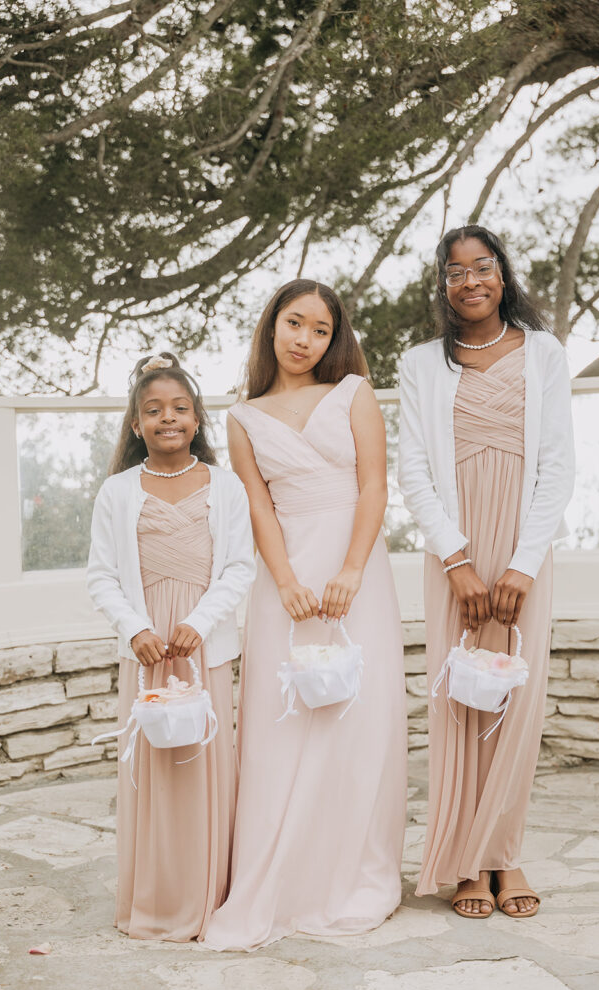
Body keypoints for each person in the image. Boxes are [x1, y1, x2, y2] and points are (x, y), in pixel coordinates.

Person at [204, 280, 408, 951]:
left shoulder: (353, 395)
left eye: (320, 330)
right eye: (294, 323)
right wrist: (285, 579)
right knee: (282, 719)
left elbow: (374, 484)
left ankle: (349, 876)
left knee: (357, 717)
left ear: (334, 338)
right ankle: (280, 878)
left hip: (356, 569)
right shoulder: (242, 417)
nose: (304, 340)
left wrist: (350, 569)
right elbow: (256, 507)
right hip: (284, 578)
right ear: (271, 326)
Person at [398, 226, 575, 919]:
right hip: (455, 550)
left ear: (502, 275)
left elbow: (557, 464)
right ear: (441, 287)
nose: (470, 280)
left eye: (482, 266)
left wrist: (523, 564)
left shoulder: (545, 354)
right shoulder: (420, 364)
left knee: (516, 703)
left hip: (524, 544)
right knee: (461, 699)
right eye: (454, 271)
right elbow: (413, 469)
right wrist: (457, 560)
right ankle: (465, 863)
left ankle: (504, 853)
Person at [87, 353, 255, 941]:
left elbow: (239, 566)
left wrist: (202, 622)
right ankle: (156, 901)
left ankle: (208, 896)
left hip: (201, 645)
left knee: (204, 764)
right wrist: (135, 629)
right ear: (136, 424)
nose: (168, 419)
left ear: (198, 419)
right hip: (149, 648)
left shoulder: (226, 485)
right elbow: (101, 575)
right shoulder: (117, 492)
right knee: (153, 768)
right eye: (153, 410)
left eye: (180, 409)